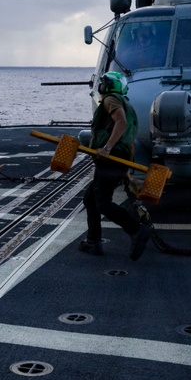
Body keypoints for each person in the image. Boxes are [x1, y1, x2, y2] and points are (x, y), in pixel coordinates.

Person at [79, 72, 152, 260]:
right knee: (90, 200)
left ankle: (136, 230)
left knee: (103, 203)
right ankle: (93, 241)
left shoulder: (111, 100)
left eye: (104, 83)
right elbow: (130, 141)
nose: (101, 86)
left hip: (111, 158)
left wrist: (107, 147)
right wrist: (126, 170)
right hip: (119, 159)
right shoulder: (128, 105)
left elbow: (121, 122)